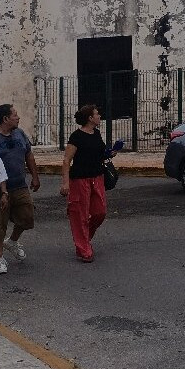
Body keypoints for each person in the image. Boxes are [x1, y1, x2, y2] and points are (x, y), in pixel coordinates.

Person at [0, 103, 40, 274]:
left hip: (20, 186)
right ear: (5, 119)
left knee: (27, 218)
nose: (18, 117)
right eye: (15, 115)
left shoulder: (20, 134)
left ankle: (12, 241)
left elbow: (28, 155)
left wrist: (35, 176)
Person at [60, 104, 117, 262]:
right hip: (79, 180)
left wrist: (110, 153)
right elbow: (66, 160)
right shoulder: (76, 136)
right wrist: (65, 183)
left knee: (100, 212)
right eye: (97, 114)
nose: (99, 116)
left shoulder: (96, 134)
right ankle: (83, 248)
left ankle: (84, 239)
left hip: (97, 178)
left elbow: (100, 154)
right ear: (90, 118)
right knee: (80, 215)